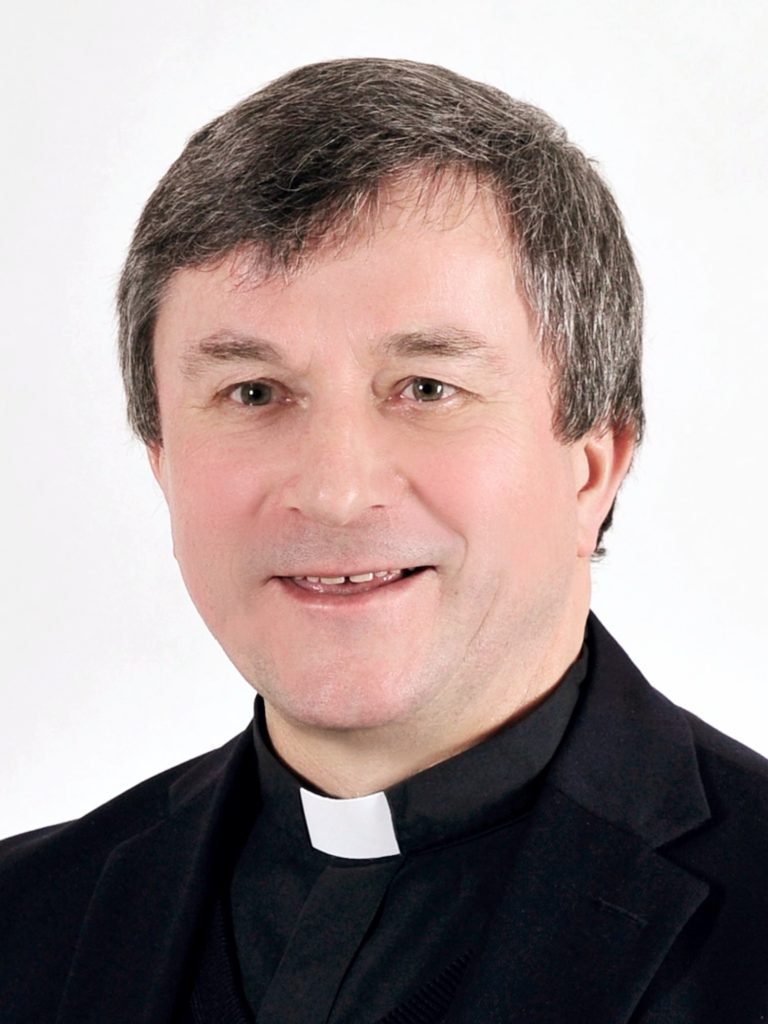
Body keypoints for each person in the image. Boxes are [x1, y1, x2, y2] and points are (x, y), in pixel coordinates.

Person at [1, 57, 766, 1024]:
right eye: (253, 392)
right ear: (162, 462)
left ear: (592, 467)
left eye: (426, 388)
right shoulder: (23, 917)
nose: (333, 492)